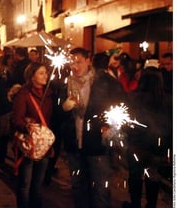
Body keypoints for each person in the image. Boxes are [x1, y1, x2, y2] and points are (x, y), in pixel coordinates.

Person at [61, 48, 127, 208]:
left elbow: (121, 105)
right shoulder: (65, 82)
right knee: (78, 186)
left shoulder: (105, 81)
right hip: (74, 143)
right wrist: (64, 108)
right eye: (72, 62)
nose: (75, 66)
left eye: (79, 62)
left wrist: (110, 124)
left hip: (97, 144)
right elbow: (58, 114)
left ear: (88, 60)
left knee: (100, 188)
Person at [122, 67, 172, 208]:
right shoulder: (168, 99)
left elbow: (125, 121)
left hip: (136, 144)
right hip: (158, 145)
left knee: (135, 176)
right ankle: (151, 205)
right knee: (153, 176)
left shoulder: (132, 97)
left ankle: (135, 204)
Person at [11, 62, 55, 208]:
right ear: (32, 76)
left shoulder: (49, 93)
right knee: (25, 184)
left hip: (44, 146)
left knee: (38, 184)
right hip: (29, 146)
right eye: (41, 73)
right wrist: (29, 127)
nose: (45, 76)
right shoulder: (23, 94)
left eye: (46, 73)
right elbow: (16, 120)